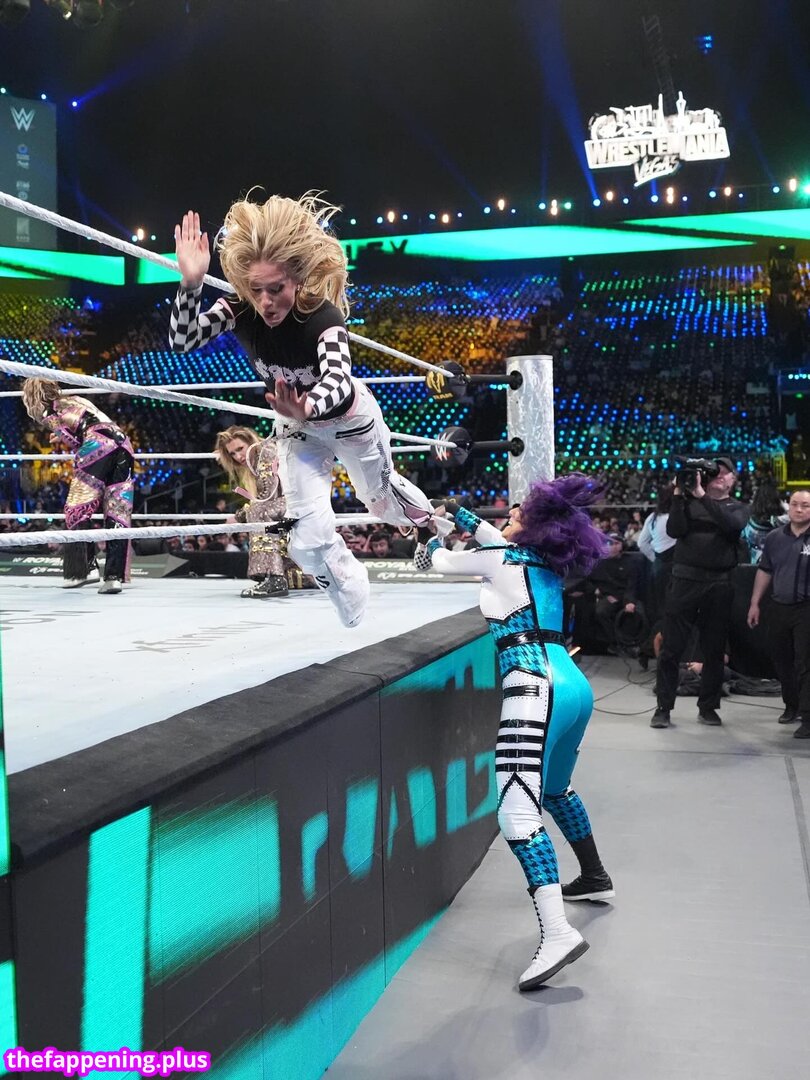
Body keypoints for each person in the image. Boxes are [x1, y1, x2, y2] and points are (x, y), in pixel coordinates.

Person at [170, 194, 451, 627]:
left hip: (350, 421)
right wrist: (191, 284)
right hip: (297, 428)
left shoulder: (322, 315)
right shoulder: (240, 307)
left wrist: (308, 404)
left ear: (298, 280)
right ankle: (349, 586)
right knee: (306, 540)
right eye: (256, 289)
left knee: (379, 504)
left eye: (276, 289)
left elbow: (338, 378)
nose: (265, 301)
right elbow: (183, 340)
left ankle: (428, 522)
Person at [416, 475, 614, 991]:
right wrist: (458, 514)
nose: (507, 514)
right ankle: (594, 875)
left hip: (533, 685)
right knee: (556, 789)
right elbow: (491, 539)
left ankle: (557, 933)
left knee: (516, 810)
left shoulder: (502, 559)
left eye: (517, 511)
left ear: (532, 525)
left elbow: (441, 563)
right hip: (571, 683)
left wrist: (428, 533)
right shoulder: (540, 562)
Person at [651, 457, 750, 729]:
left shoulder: (738, 507)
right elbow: (675, 530)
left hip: (719, 583)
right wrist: (678, 495)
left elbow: (731, 525)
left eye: (725, 473)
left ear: (733, 480)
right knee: (671, 647)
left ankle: (708, 707)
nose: (719, 475)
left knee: (714, 649)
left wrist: (701, 495)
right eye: (715, 472)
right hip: (684, 580)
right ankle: (663, 707)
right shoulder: (688, 502)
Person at [20, 377, 134, 593]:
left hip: (98, 445)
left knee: (76, 510)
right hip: (123, 443)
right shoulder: (76, 399)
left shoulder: (48, 411)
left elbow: (74, 440)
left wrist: (61, 436)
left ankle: (84, 569)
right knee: (117, 510)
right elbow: (92, 422)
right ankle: (114, 577)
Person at [747, 489, 810, 737]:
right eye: (794, 504)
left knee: (805, 662)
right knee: (782, 660)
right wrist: (755, 603)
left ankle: (808, 716)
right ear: (788, 507)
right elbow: (765, 570)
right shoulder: (775, 537)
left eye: (805, 505)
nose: (799, 509)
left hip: (806, 608)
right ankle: (791, 705)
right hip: (779, 606)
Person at [214, 425, 289, 599]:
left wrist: (240, 515)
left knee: (257, 512)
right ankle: (275, 576)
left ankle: (274, 578)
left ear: (250, 441)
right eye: (232, 454)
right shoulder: (254, 461)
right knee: (256, 510)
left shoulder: (266, 453)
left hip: (296, 504)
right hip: (288, 506)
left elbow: (267, 497)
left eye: (240, 449)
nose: (238, 456)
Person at [637, 483, 676, 623]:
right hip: (675, 565)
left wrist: (656, 559)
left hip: (658, 565)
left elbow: (641, 543)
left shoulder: (653, 517)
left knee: (660, 605)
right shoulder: (677, 517)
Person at [743, 476, 788, 566]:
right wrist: (786, 508)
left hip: (754, 562)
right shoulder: (782, 521)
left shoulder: (748, 520)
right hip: (777, 563)